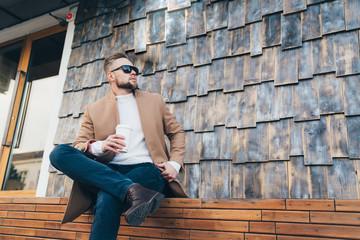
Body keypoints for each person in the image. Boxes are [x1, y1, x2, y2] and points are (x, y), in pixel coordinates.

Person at [50, 52, 187, 240]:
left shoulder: (154, 100)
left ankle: (128, 189)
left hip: (147, 169)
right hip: (108, 170)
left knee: (107, 197)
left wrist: (175, 163)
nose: (133, 73)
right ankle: (133, 191)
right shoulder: (94, 109)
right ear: (111, 76)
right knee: (59, 152)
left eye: (135, 70)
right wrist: (100, 146)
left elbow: (177, 132)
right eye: (127, 69)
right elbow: (79, 145)